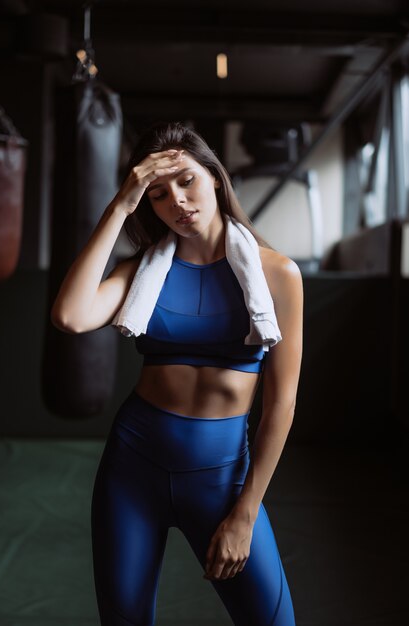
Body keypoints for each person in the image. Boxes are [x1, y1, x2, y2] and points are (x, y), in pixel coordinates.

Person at [51, 121, 303, 626]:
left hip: (222, 477)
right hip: (132, 469)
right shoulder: (143, 269)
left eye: (186, 180)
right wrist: (121, 205)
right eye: (159, 195)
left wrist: (246, 513)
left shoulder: (278, 273)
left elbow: (280, 404)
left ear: (213, 176)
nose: (178, 202)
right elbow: (71, 316)